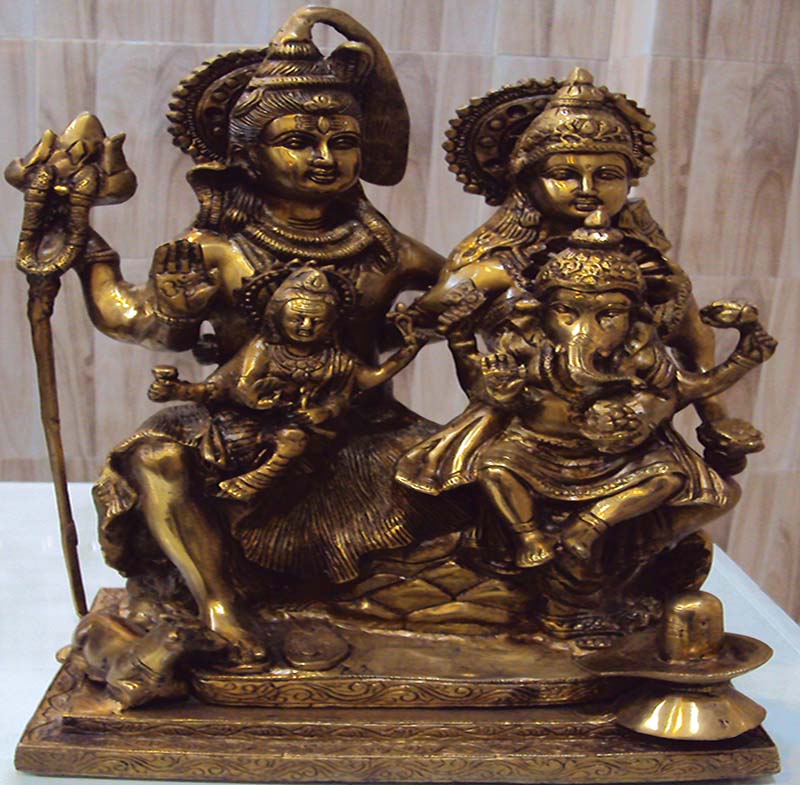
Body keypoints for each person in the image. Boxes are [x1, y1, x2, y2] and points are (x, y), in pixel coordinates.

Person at [16, 8, 460, 663]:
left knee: (479, 474)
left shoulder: (386, 248)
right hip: (237, 426)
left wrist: (464, 314)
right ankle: (217, 605)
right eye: (299, 141)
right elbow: (142, 323)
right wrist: (95, 259)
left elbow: (467, 297)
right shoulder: (216, 250)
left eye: (343, 142)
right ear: (249, 155)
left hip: (364, 431)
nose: (325, 158)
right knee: (154, 460)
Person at [398, 220, 776, 638]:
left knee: (669, 478)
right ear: (543, 311)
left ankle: (595, 524)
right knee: (495, 467)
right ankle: (529, 538)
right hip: (534, 449)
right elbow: (487, 394)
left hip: (615, 459)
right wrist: (479, 363)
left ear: (634, 317)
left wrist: (741, 360)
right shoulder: (529, 350)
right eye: (566, 312)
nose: (585, 329)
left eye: (608, 315)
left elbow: (686, 388)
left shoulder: (640, 356)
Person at [413, 68, 761, 464]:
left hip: (629, 437)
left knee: (697, 490)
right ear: (526, 181)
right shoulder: (492, 272)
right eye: (564, 174)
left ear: (628, 182)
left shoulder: (649, 271)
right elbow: (415, 328)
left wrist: (715, 419)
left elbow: (694, 344)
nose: (587, 189)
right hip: (518, 433)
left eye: (606, 175)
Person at [147, 265, 427, 508]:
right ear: (278, 316)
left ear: (331, 323)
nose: (306, 326)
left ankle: (255, 482)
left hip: (308, 432)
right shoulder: (263, 349)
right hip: (247, 424)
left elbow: (367, 380)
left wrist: (409, 349)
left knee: (296, 439)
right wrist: (177, 391)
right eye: (297, 318)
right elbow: (218, 387)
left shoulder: (334, 358)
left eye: (317, 320)